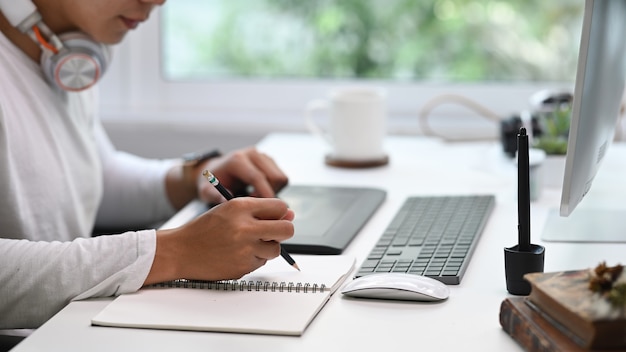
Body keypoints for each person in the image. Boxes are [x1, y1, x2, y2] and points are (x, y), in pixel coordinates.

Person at [0, 0, 295, 330]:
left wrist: (191, 177)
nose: (157, 1)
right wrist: (173, 252)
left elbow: (91, 179)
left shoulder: (65, 52)